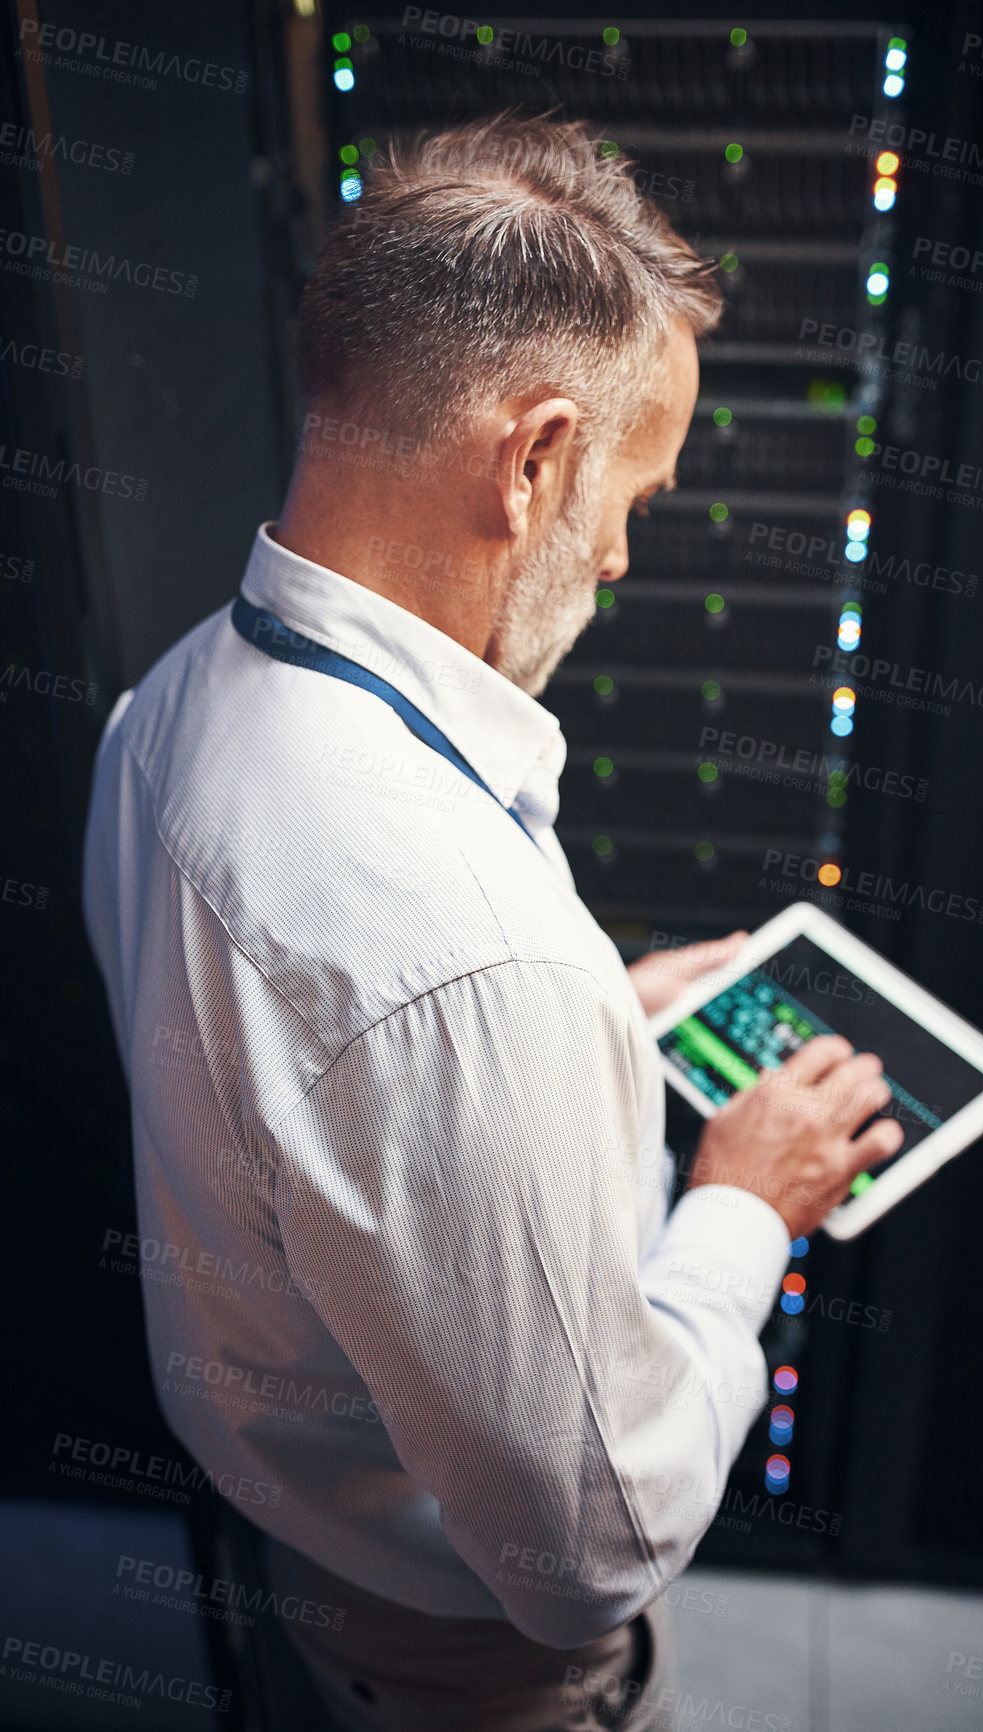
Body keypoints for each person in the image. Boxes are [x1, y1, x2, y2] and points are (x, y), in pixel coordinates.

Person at [81, 114, 903, 1731]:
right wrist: (742, 1204)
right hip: (482, 1678)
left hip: (310, 1568)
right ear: (530, 460)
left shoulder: (164, 710)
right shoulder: (462, 965)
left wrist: (583, 1017)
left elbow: (311, 1099)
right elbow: (591, 1542)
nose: (613, 554)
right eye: (631, 497)